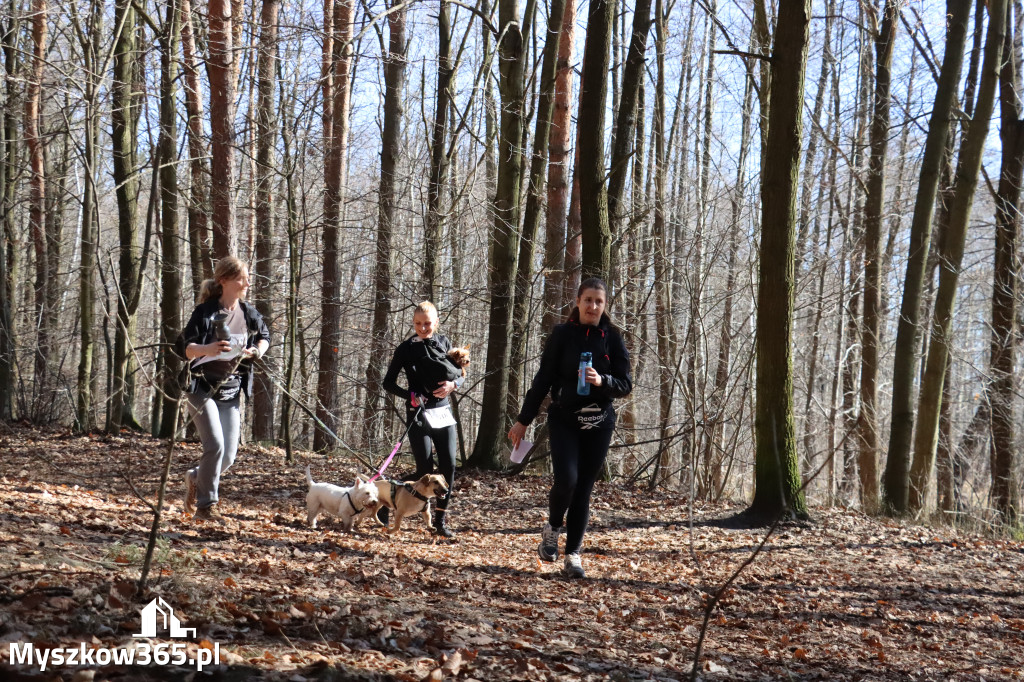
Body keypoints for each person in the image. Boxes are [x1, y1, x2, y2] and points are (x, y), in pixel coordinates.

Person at [508, 277, 632, 578]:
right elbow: (543, 380)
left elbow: (625, 384)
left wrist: (602, 381)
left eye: (598, 302)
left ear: (605, 306)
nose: (592, 306)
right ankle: (552, 527)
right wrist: (524, 420)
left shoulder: (613, 337)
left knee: (584, 489)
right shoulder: (562, 334)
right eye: (588, 300)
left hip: (599, 422)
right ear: (578, 302)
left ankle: (573, 554)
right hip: (564, 419)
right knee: (567, 480)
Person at [179, 256, 271, 522]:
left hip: (230, 391)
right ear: (224, 281)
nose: (247, 282)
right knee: (215, 445)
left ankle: (197, 478)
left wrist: (257, 351)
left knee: (228, 456)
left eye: (247, 277)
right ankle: (206, 508)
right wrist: (207, 349)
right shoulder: (205, 312)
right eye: (242, 278)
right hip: (201, 387)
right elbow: (185, 348)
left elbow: (265, 337)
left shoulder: (248, 312)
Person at [382, 301, 464, 537]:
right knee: (424, 471)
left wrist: (453, 385)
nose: (423, 328)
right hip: (418, 413)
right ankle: (388, 497)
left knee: (448, 467)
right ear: (413, 323)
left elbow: (461, 374)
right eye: (418, 323)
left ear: (436, 322)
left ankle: (440, 522)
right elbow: (388, 382)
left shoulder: (444, 343)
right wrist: (411, 396)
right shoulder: (406, 348)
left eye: (427, 323)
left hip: (442, 412)